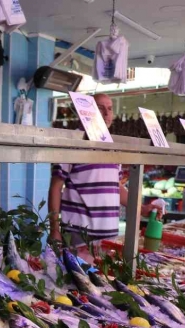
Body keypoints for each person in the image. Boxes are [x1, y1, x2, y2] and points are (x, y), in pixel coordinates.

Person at [48, 93, 164, 246]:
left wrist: (141, 208)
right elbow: (55, 187)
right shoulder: (74, 143)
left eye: (109, 109)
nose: (106, 113)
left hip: (109, 234)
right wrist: (54, 229)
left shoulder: (113, 147)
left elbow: (116, 187)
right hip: (78, 232)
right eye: (100, 108)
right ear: (86, 112)